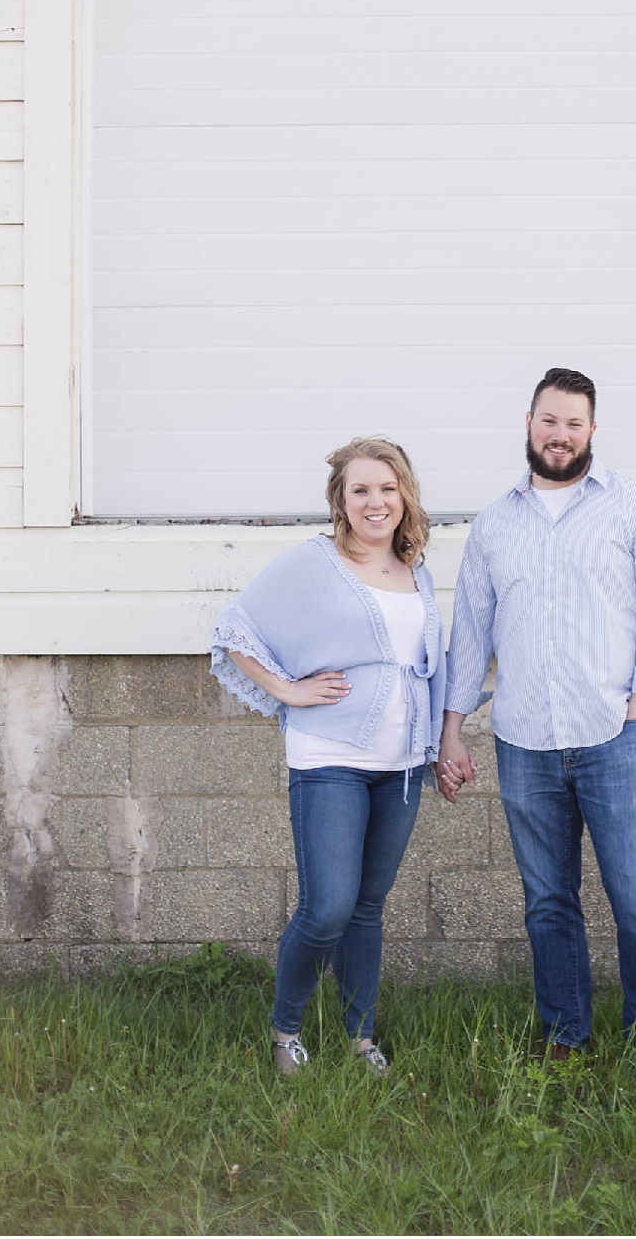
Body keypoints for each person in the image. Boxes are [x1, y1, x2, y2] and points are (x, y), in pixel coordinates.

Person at [438, 368, 636, 1070]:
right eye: (550, 420)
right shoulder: (495, 524)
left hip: (614, 735)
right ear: (528, 421)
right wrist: (453, 728)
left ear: (592, 430)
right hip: (524, 741)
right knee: (548, 900)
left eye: (574, 423)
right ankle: (565, 1033)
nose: (560, 434)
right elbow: (470, 636)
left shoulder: (635, 508)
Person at [210, 437, 445, 1077]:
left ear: (405, 495)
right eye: (361, 489)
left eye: (387, 488)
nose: (376, 501)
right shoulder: (316, 563)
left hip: (400, 766)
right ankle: (285, 1031)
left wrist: (441, 743)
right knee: (328, 907)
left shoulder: (414, 569)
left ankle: (359, 1037)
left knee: (368, 907)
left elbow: (429, 667)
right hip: (330, 756)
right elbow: (234, 629)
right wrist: (287, 690)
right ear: (341, 499)